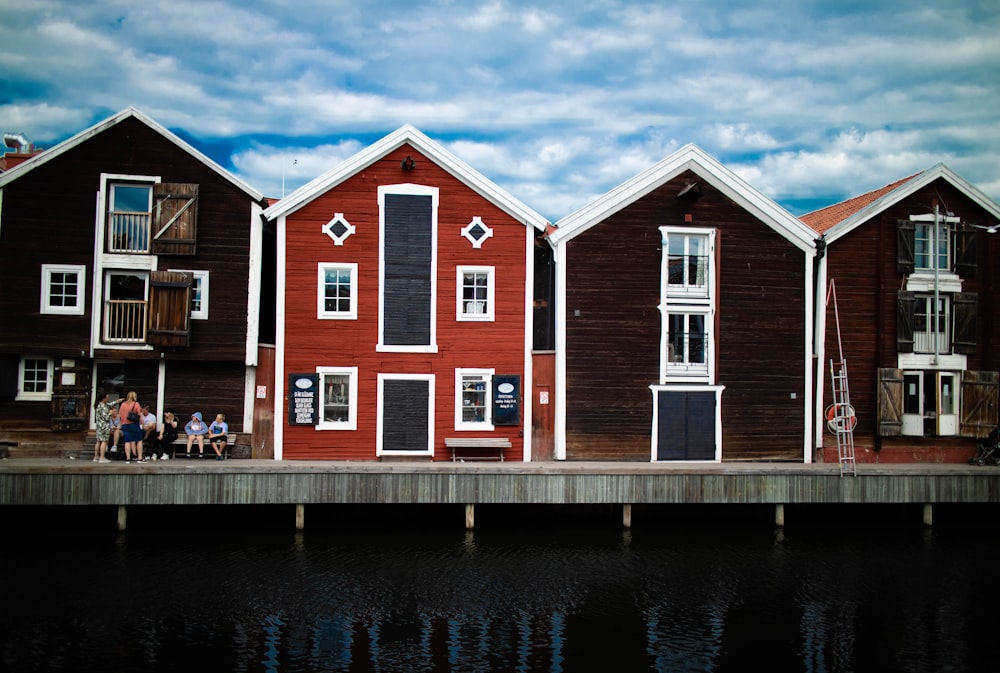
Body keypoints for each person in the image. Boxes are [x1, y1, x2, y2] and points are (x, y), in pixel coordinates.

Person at [118, 391, 145, 463]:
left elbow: (120, 415)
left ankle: (128, 458)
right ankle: (139, 457)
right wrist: (143, 424)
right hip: (134, 424)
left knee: (127, 441)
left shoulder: (123, 404)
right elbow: (140, 415)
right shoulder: (136, 404)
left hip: (125, 425)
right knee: (139, 440)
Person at [92, 391, 114, 464]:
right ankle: (102, 457)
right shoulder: (103, 406)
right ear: (103, 398)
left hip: (99, 425)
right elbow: (106, 417)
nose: (108, 398)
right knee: (104, 441)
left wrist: (117, 401)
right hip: (104, 426)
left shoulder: (99, 405)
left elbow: (110, 404)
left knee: (98, 441)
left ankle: (96, 456)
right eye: (107, 397)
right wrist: (110, 413)